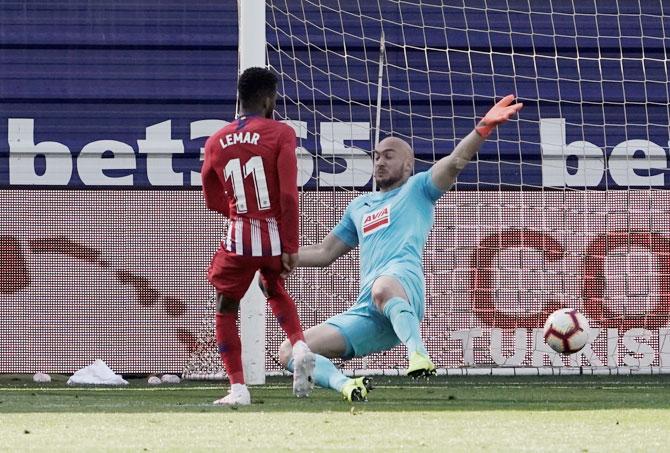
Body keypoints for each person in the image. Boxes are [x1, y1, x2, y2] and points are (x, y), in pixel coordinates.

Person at [276, 95, 523, 401]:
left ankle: (419, 356)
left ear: (408, 164)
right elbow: (326, 252)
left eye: (388, 156)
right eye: (377, 155)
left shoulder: (417, 188)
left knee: (383, 287)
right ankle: (348, 385)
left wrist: (483, 128)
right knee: (291, 351)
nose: (379, 161)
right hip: (368, 311)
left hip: (402, 288)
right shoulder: (359, 206)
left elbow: (455, 163)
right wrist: (280, 257)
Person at [201, 67, 315, 406]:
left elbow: (210, 197)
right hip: (274, 237)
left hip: (239, 238)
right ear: (268, 99)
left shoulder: (215, 140)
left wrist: (238, 214)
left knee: (225, 307)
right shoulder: (281, 133)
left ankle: (238, 388)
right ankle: (299, 345)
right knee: (274, 286)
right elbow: (289, 196)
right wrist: (290, 244)